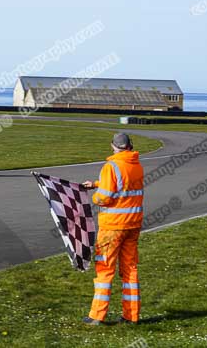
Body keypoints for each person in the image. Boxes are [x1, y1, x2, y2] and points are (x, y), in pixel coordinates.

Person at [81, 132, 144, 326]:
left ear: (112, 146)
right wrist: (96, 184)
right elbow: (124, 184)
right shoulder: (136, 164)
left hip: (112, 227)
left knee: (104, 269)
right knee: (130, 269)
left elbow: (104, 197)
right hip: (133, 224)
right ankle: (131, 315)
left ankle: (97, 316)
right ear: (130, 146)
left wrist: (94, 196)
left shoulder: (111, 166)